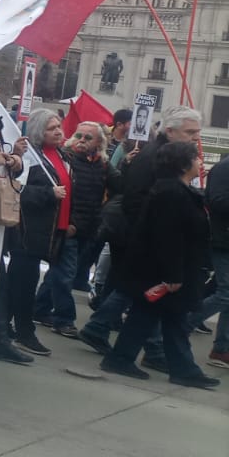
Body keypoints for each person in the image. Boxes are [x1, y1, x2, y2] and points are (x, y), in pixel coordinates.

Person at [80, 106, 202, 362]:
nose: (196, 138)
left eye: (197, 132)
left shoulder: (160, 153)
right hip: (139, 233)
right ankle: (147, 347)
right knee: (140, 289)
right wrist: (147, 233)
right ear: (170, 131)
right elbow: (136, 198)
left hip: (141, 233)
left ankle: (103, 328)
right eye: (190, 132)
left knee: (133, 287)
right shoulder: (157, 156)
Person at [100, 141, 218, 389]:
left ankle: (179, 368)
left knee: (166, 318)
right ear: (183, 164)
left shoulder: (175, 190)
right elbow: (167, 237)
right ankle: (128, 360)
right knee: (153, 316)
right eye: (196, 158)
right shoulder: (171, 193)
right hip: (163, 270)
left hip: (167, 268)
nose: (200, 162)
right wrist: (172, 275)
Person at [0, 109, 73, 358]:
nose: (58, 131)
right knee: (24, 284)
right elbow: (16, 189)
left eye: (59, 126)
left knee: (20, 283)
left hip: (51, 231)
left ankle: (2, 327)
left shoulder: (61, 155)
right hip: (28, 230)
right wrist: (48, 194)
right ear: (38, 131)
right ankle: (23, 332)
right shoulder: (31, 156)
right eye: (51, 128)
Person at [37, 121, 118, 329]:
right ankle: (64, 319)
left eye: (88, 137)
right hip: (69, 227)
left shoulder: (102, 164)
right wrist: (69, 222)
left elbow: (119, 185)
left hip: (88, 228)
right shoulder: (67, 158)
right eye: (78, 135)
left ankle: (40, 308)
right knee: (65, 273)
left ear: (99, 142)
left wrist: (127, 163)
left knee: (59, 272)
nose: (81, 140)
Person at [199, 157, 229, 368]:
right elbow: (217, 201)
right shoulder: (224, 168)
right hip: (222, 238)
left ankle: (221, 349)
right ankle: (180, 325)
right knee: (225, 294)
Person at [107, 108, 133, 173]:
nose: (134, 127)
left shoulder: (131, 144)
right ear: (119, 125)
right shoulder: (104, 139)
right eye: (131, 124)